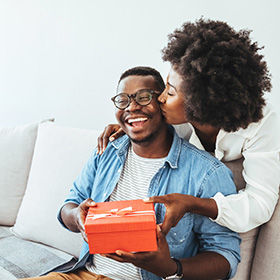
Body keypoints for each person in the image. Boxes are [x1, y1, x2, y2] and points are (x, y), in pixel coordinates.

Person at [21, 66, 240, 280]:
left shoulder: (207, 173)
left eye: (143, 97)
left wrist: (171, 268)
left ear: (162, 101)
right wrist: (76, 216)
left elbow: (226, 256)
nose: (131, 107)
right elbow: (69, 205)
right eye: (123, 100)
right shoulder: (106, 150)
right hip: (86, 273)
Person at [97, 18, 280, 234]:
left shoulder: (262, 123)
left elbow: (260, 204)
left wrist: (192, 203)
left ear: (200, 103)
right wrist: (129, 125)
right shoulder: (171, 117)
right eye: (165, 86)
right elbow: (141, 116)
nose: (161, 99)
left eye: (170, 92)